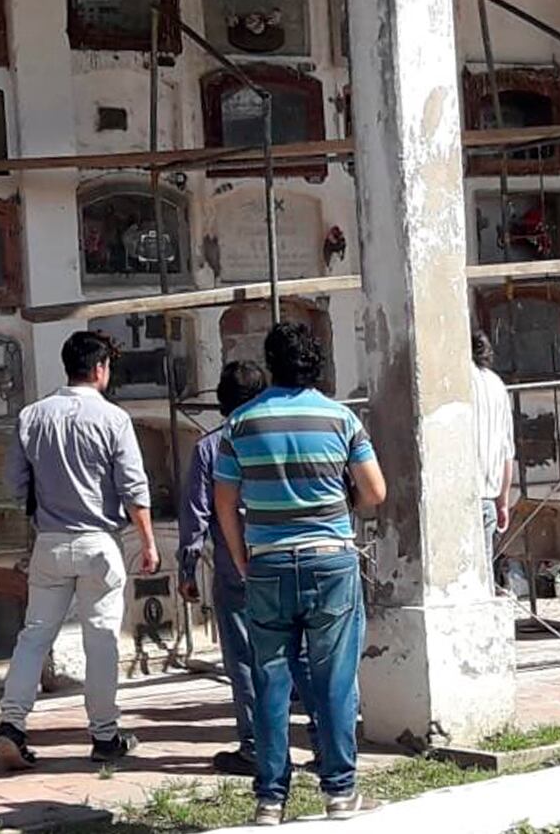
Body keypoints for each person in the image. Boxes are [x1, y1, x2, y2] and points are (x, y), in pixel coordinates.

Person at [213, 323, 387, 826]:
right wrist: (339, 499)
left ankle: (270, 798)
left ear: (271, 364)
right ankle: (340, 790)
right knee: (334, 680)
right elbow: (375, 492)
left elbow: (224, 503)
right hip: (329, 560)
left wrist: (242, 557)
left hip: (267, 562)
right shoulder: (340, 418)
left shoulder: (240, 423)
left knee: (270, 679)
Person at [0, 331, 161, 770]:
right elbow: (133, 486)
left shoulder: (32, 416)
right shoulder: (113, 419)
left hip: (50, 541)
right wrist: (147, 541)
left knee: (34, 636)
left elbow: (14, 481)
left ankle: (12, 723)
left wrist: (38, 511)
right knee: (101, 641)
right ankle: (104, 735)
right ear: (100, 368)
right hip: (99, 543)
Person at [178, 360, 319, 778]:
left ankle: (257, 747)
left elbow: (196, 514)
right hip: (293, 560)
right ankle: (326, 743)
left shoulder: (210, 447)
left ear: (222, 400)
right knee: (302, 655)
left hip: (236, 569)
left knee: (244, 659)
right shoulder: (284, 435)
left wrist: (187, 569)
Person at [470, 332, 516, 544]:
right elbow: (507, 452)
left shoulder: (454, 383)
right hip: (488, 498)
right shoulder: (497, 385)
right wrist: (503, 502)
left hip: (459, 499)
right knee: (485, 564)